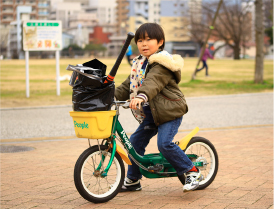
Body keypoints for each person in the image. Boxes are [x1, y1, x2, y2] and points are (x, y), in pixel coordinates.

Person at [115, 23, 201, 192]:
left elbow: (153, 82)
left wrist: (141, 96)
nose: (143, 44)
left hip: (169, 112)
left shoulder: (162, 63)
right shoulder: (139, 63)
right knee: (134, 143)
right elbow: (128, 85)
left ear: (160, 42)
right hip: (151, 114)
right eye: (139, 40)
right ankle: (133, 180)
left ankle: (192, 171)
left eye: (148, 39)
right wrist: (110, 97)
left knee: (165, 144)